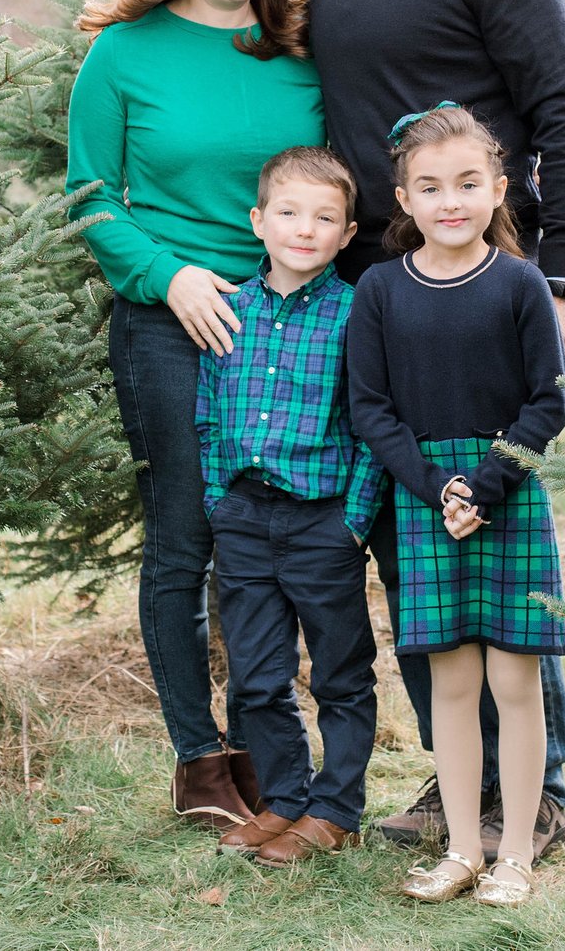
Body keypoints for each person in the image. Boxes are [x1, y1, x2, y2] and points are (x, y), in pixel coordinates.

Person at [305, 0, 565, 861]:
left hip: (487, 284)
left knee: (500, 523)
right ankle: (453, 775)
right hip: (376, 293)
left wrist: (563, 276)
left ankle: (544, 787)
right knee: (410, 532)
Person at [64, 0, 325, 831]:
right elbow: (90, 196)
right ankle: (199, 759)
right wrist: (167, 275)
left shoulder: (300, 48)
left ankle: (270, 744)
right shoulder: (124, 53)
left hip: (286, 324)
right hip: (171, 323)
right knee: (186, 538)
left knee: (270, 543)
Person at [345, 105, 565, 908]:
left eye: (469, 183)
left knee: (514, 681)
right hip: (423, 498)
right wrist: (433, 484)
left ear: (499, 189)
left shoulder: (519, 284)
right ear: (402, 198)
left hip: (502, 488)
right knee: (450, 684)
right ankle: (462, 849)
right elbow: (370, 409)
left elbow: (550, 402)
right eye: (431, 186)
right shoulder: (379, 290)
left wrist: (483, 482)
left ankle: (515, 849)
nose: (451, 200)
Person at [197, 145, 383, 870]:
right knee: (256, 675)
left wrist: (352, 521)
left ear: (345, 232)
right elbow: (208, 417)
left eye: (324, 217)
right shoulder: (230, 312)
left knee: (340, 670)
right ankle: (284, 796)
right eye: (289, 212)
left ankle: (336, 808)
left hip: (322, 520)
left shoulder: (356, 313)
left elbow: (373, 423)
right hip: (244, 518)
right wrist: (218, 501)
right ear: (259, 220)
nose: (305, 228)